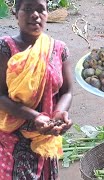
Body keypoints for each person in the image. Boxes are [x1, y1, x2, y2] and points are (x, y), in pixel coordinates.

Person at [0, 0, 73, 179]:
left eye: (41, 10)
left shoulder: (58, 49)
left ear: (47, 14)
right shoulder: (5, 48)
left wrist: (59, 113)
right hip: (13, 139)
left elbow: (67, 91)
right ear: (16, 14)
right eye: (28, 9)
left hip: (47, 135)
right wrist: (35, 117)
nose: (35, 15)